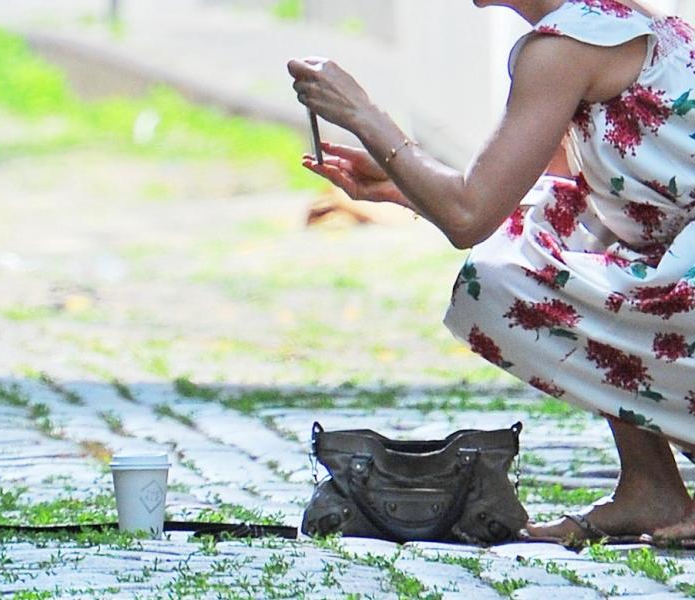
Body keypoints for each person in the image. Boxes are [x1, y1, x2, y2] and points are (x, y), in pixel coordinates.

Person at [288, 0, 695, 544]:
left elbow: (469, 216)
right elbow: (522, 194)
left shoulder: (563, 48)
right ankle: (650, 486)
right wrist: (404, 183)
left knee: (499, 281)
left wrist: (363, 114)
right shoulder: (600, 22)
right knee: (563, 231)